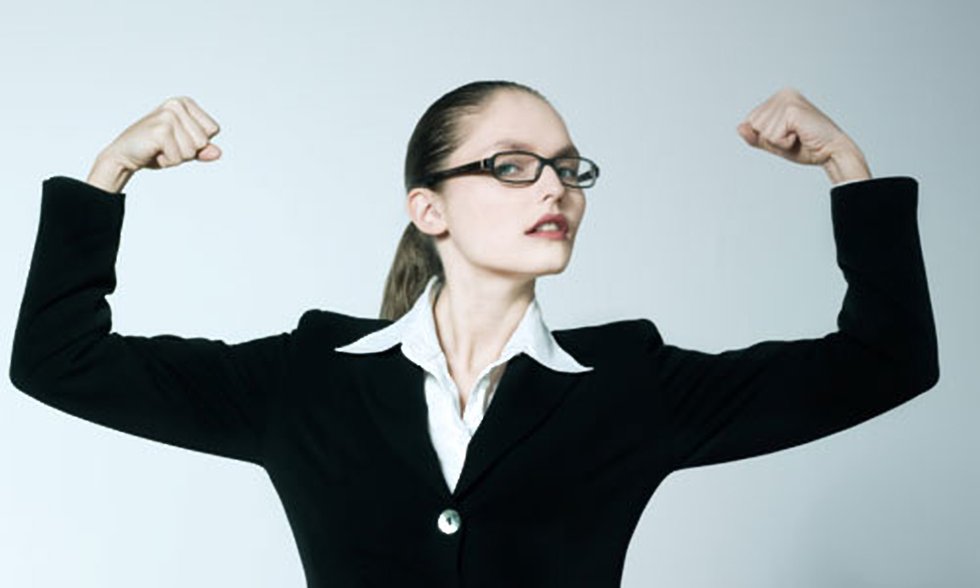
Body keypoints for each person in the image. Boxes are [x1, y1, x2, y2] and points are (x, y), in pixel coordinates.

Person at [9, 80, 939, 587]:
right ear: (430, 209)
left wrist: (845, 166)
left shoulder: (628, 384)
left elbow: (884, 360)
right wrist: (109, 171)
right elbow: (59, 360)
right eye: (513, 166)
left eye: (568, 169)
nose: (555, 187)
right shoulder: (309, 379)